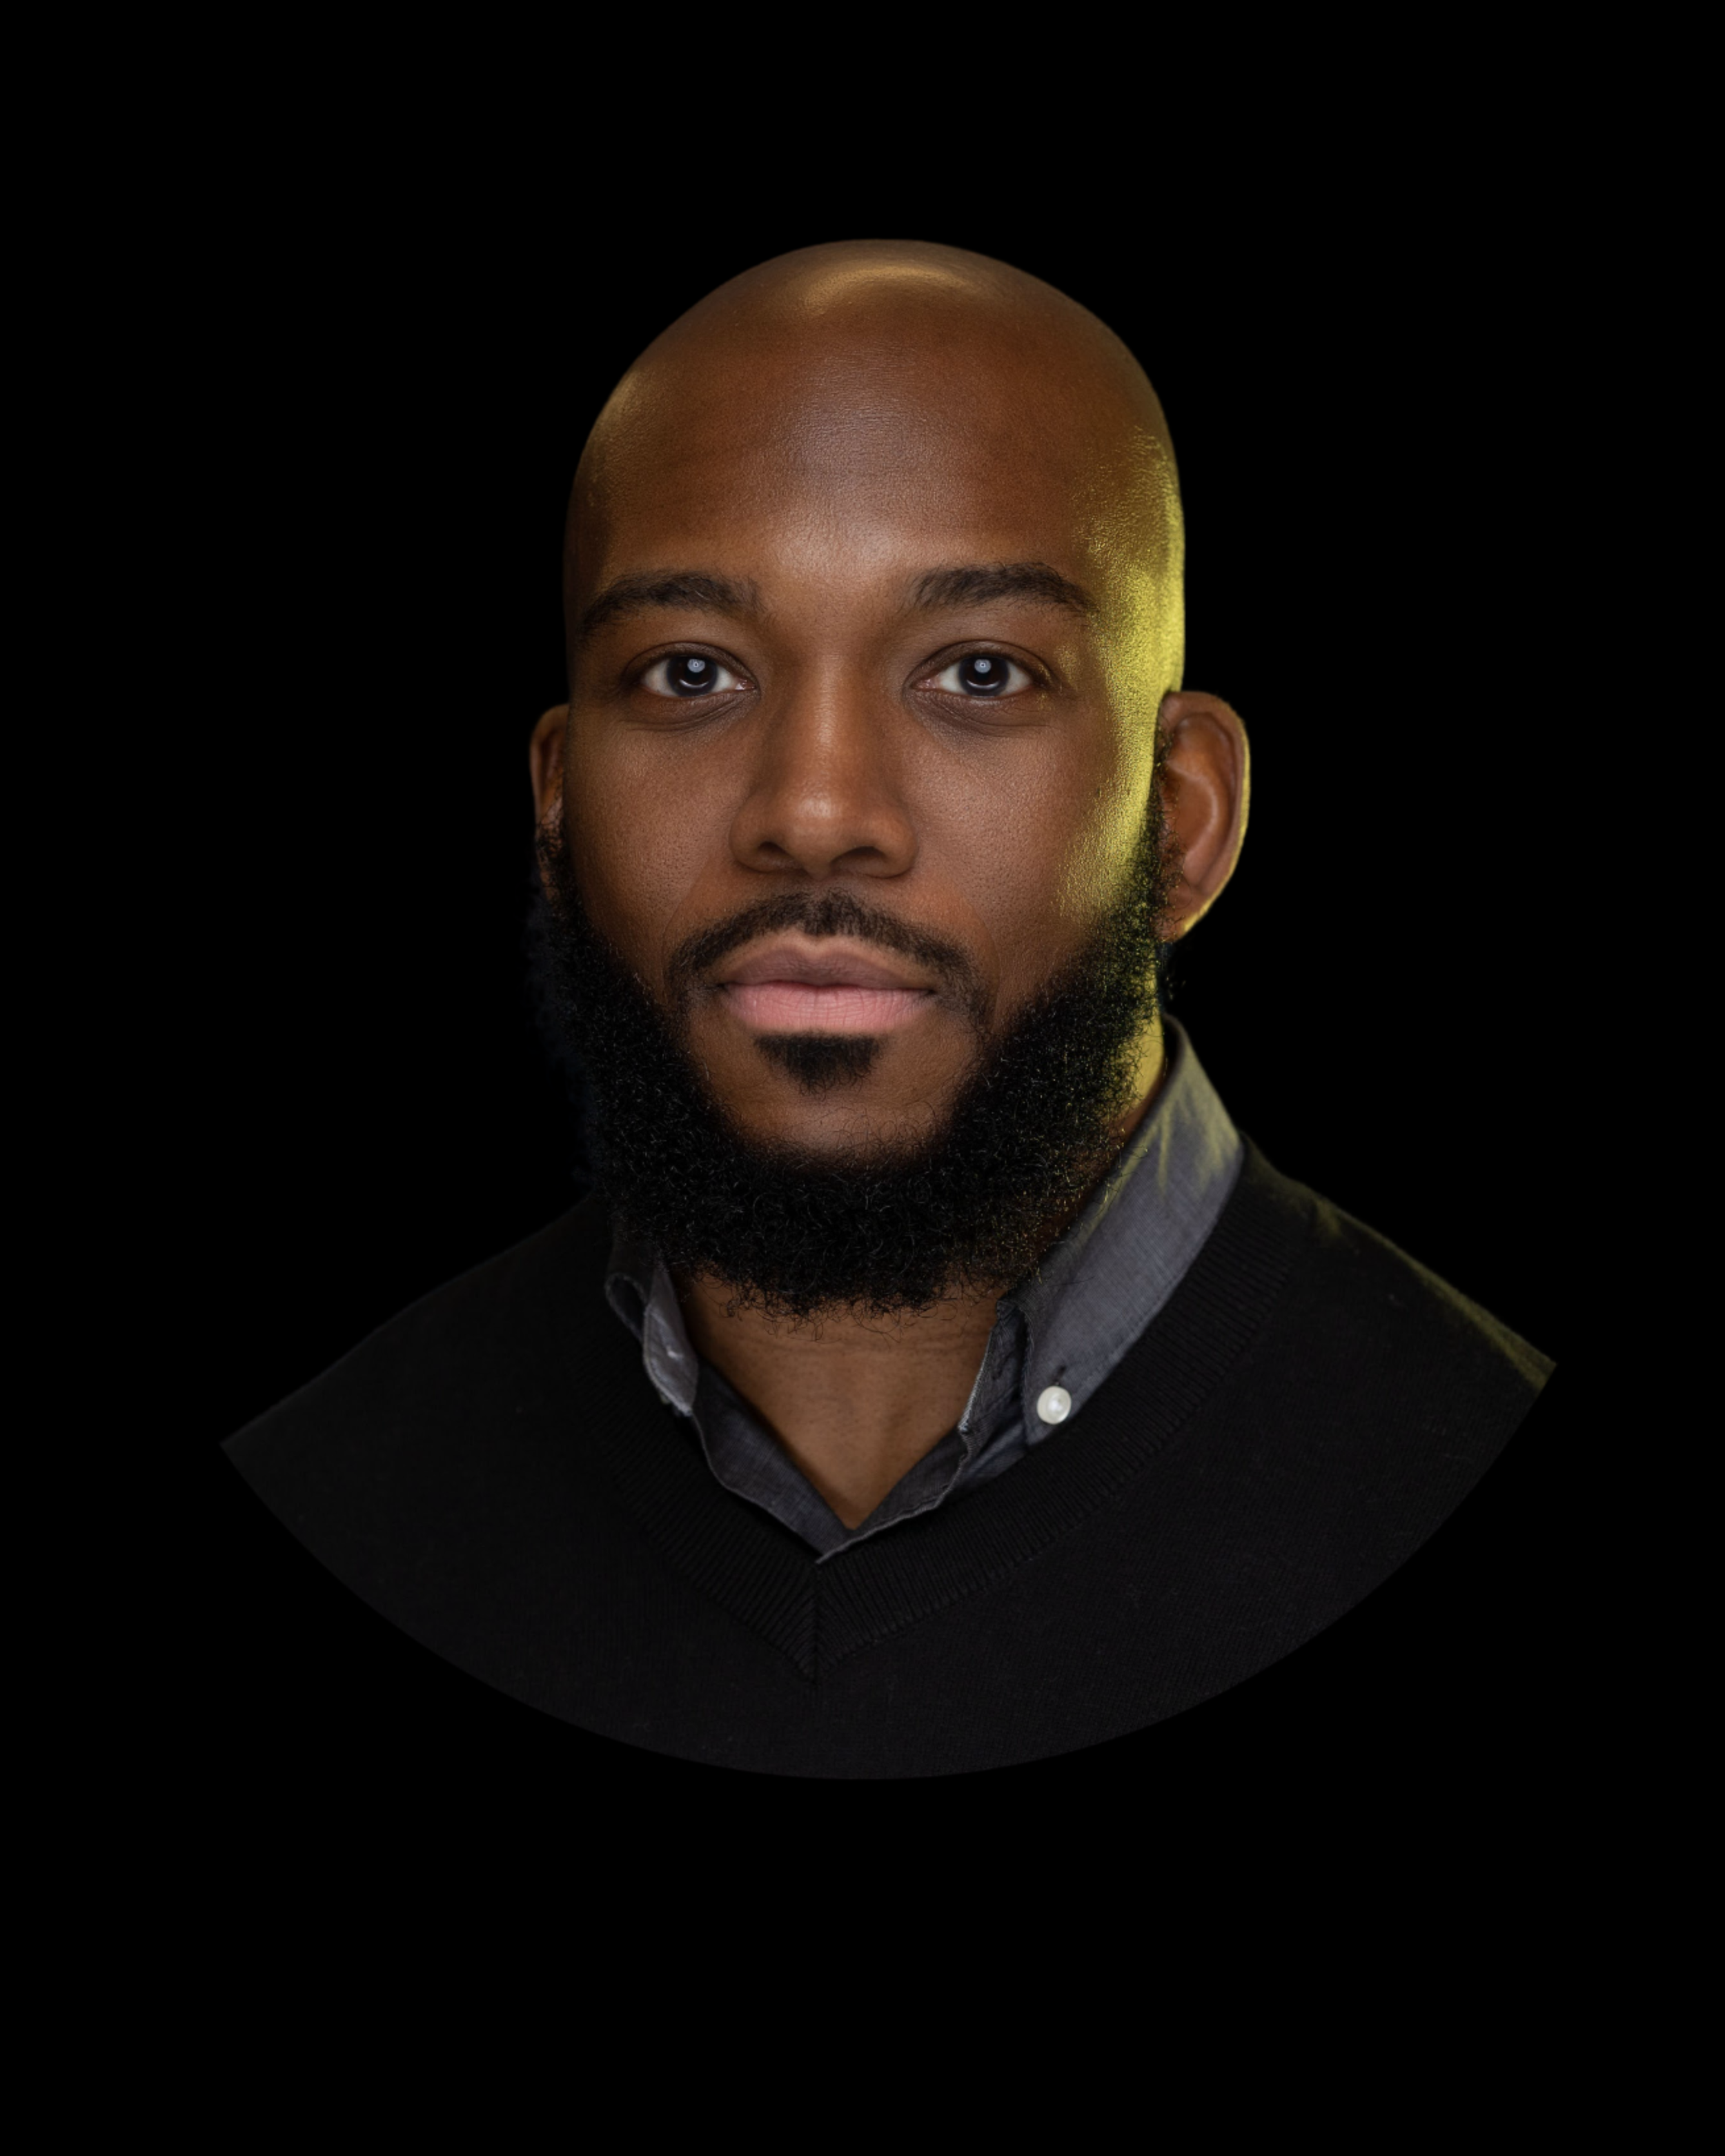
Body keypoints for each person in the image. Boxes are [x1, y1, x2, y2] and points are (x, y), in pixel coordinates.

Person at [225, 239, 1551, 1776]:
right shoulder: (332, 1493)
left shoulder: (1455, 1449)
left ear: (1179, 815)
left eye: (977, 671)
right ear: (555, 808)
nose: (812, 807)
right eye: (691, 672)